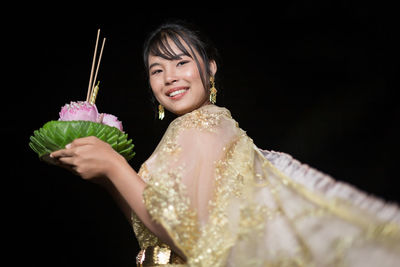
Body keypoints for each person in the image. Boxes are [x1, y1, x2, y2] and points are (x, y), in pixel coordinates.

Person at [50, 21, 400, 267]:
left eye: (181, 62)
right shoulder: (203, 127)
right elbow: (155, 234)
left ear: (210, 68)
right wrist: (108, 181)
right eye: (156, 70)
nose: (169, 76)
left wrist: (114, 165)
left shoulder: (200, 126)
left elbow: (185, 231)